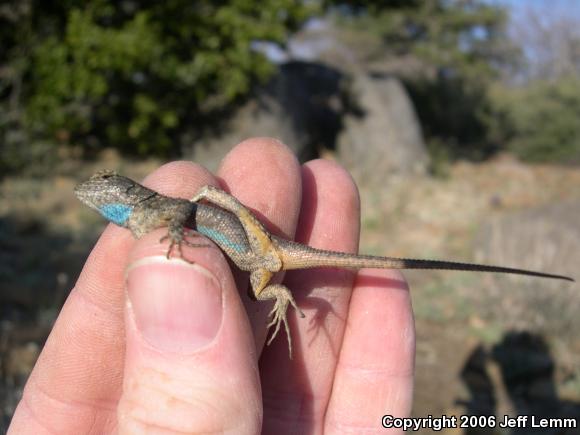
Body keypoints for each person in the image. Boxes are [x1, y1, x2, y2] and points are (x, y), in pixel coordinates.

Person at [9, 138, 414, 433]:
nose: (93, 189)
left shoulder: (153, 207)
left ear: (124, 189)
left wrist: (176, 231)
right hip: (256, 265)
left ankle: (280, 286)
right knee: (262, 291)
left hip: (260, 245)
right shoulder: (140, 216)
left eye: (103, 181)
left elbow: (185, 207)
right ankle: (283, 294)